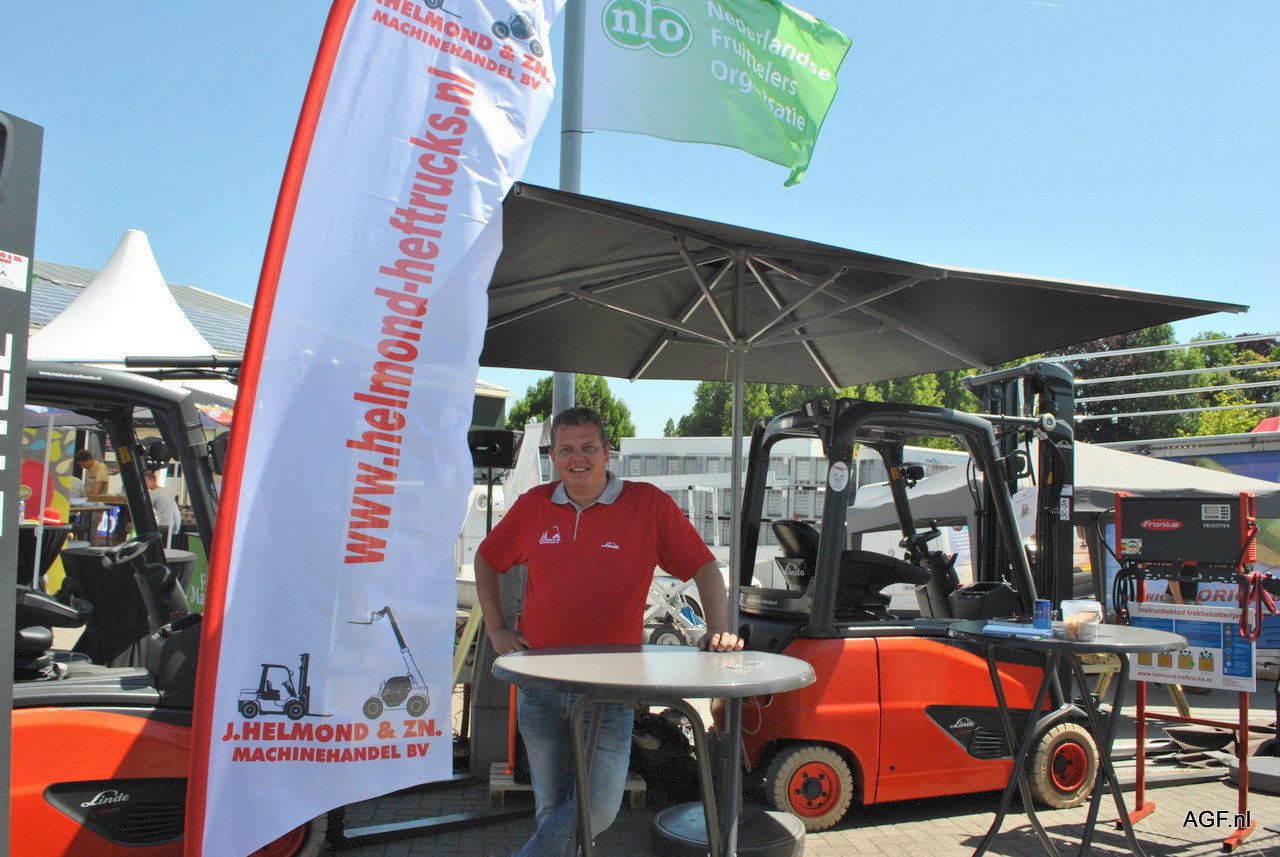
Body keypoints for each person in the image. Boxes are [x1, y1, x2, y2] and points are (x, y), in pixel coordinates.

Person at [475, 407, 743, 857]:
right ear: (553, 456)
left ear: (606, 451)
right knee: (553, 808)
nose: (577, 458)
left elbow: (704, 568)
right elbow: (486, 559)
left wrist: (718, 630)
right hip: (539, 684)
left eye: (587, 447)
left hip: (612, 689)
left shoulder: (647, 504)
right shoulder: (533, 506)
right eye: (566, 449)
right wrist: (497, 628)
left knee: (597, 807)